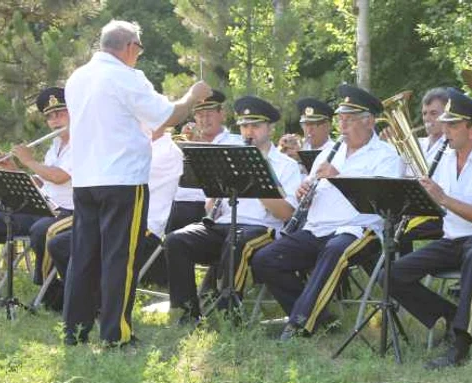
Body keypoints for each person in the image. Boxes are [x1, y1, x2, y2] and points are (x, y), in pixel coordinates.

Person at [63, 19, 212, 346]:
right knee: (120, 258)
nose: (139, 56)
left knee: (83, 255)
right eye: (139, 50)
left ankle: (74, 330)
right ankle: (116, 334)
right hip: (122, 181)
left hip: (86, 179)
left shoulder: (77, 77)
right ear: (130, 47)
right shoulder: (124, 76)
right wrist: (192, 96)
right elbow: (168, 117)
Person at [251, 84, 401, 341]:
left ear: (369, 122)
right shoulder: (329, 154)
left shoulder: (387, 155)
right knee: (265, 259)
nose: (342, 127)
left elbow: (382, 201)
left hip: (358, 230)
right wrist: (303, 195)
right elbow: (312, 195)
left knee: (334, 251)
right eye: (341, 119)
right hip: (317, 228)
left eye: (349, 120)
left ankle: (299, 325)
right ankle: (321, 319)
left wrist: (340, 176)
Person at [388, 88, 472, 369]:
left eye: (453, 124)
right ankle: (448, 313)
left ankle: (460, 345)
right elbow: (432, 203)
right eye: (445, 123)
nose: (445, 129)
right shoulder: (443, 158)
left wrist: (443, 198)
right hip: (453, 238)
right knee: (393, 274)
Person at [164, 96, 301, 324]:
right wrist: (216, 192)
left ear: (271, 128)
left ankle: (228, 312)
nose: (249, 131)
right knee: (175, 240)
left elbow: (286, 214)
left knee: (236, 241)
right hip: (223, 225)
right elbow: (211, 209)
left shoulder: (287, 165)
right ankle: (189, 312)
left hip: (262, 230)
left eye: (255, 126)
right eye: (245, 126)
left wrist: (258, 178)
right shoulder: (230, 157)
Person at [46, 126, 184, 305]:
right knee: (60, 243)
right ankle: (84, 300)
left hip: (144, 227)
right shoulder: (134, 145)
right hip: (116, 220)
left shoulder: (167, 152)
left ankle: (93, 303)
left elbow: (122, 183)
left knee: (66, 244)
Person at [0, 86, 73, 296]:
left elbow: (59, 176)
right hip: (44, 209)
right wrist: (16, 170)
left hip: (70, 212)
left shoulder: (84, 143)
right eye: (50, 117)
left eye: (61, 113)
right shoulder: (55, 145)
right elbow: (44, 182)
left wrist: (28, 160)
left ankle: (50, 291)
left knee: (41, 230)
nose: (55, 120)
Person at [168, 90, 244, 233]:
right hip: (178, 206)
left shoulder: (237, 143)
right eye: (200, 115)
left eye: (209, 114)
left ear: (222, 114)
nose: (204, 120)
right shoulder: (183, 143)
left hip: (216, 209)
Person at [398, 87, 450, 255]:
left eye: (434, 113)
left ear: (447, 115)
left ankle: (396, 276)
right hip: (412, 208)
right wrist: (393, 148)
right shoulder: (415, 143)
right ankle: (390, 276)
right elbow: (400, 178)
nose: (427, 119)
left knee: (398, 232)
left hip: (438, 213)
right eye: (425, 114)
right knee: (382, 227)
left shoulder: (452, 147)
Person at [278, 97, 335, 166]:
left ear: (327, 126)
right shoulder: (301, 147)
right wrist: (283, 155)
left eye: (314, 124)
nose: (309, 129)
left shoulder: (335, 152)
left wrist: (301, 159)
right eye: (305, 124)